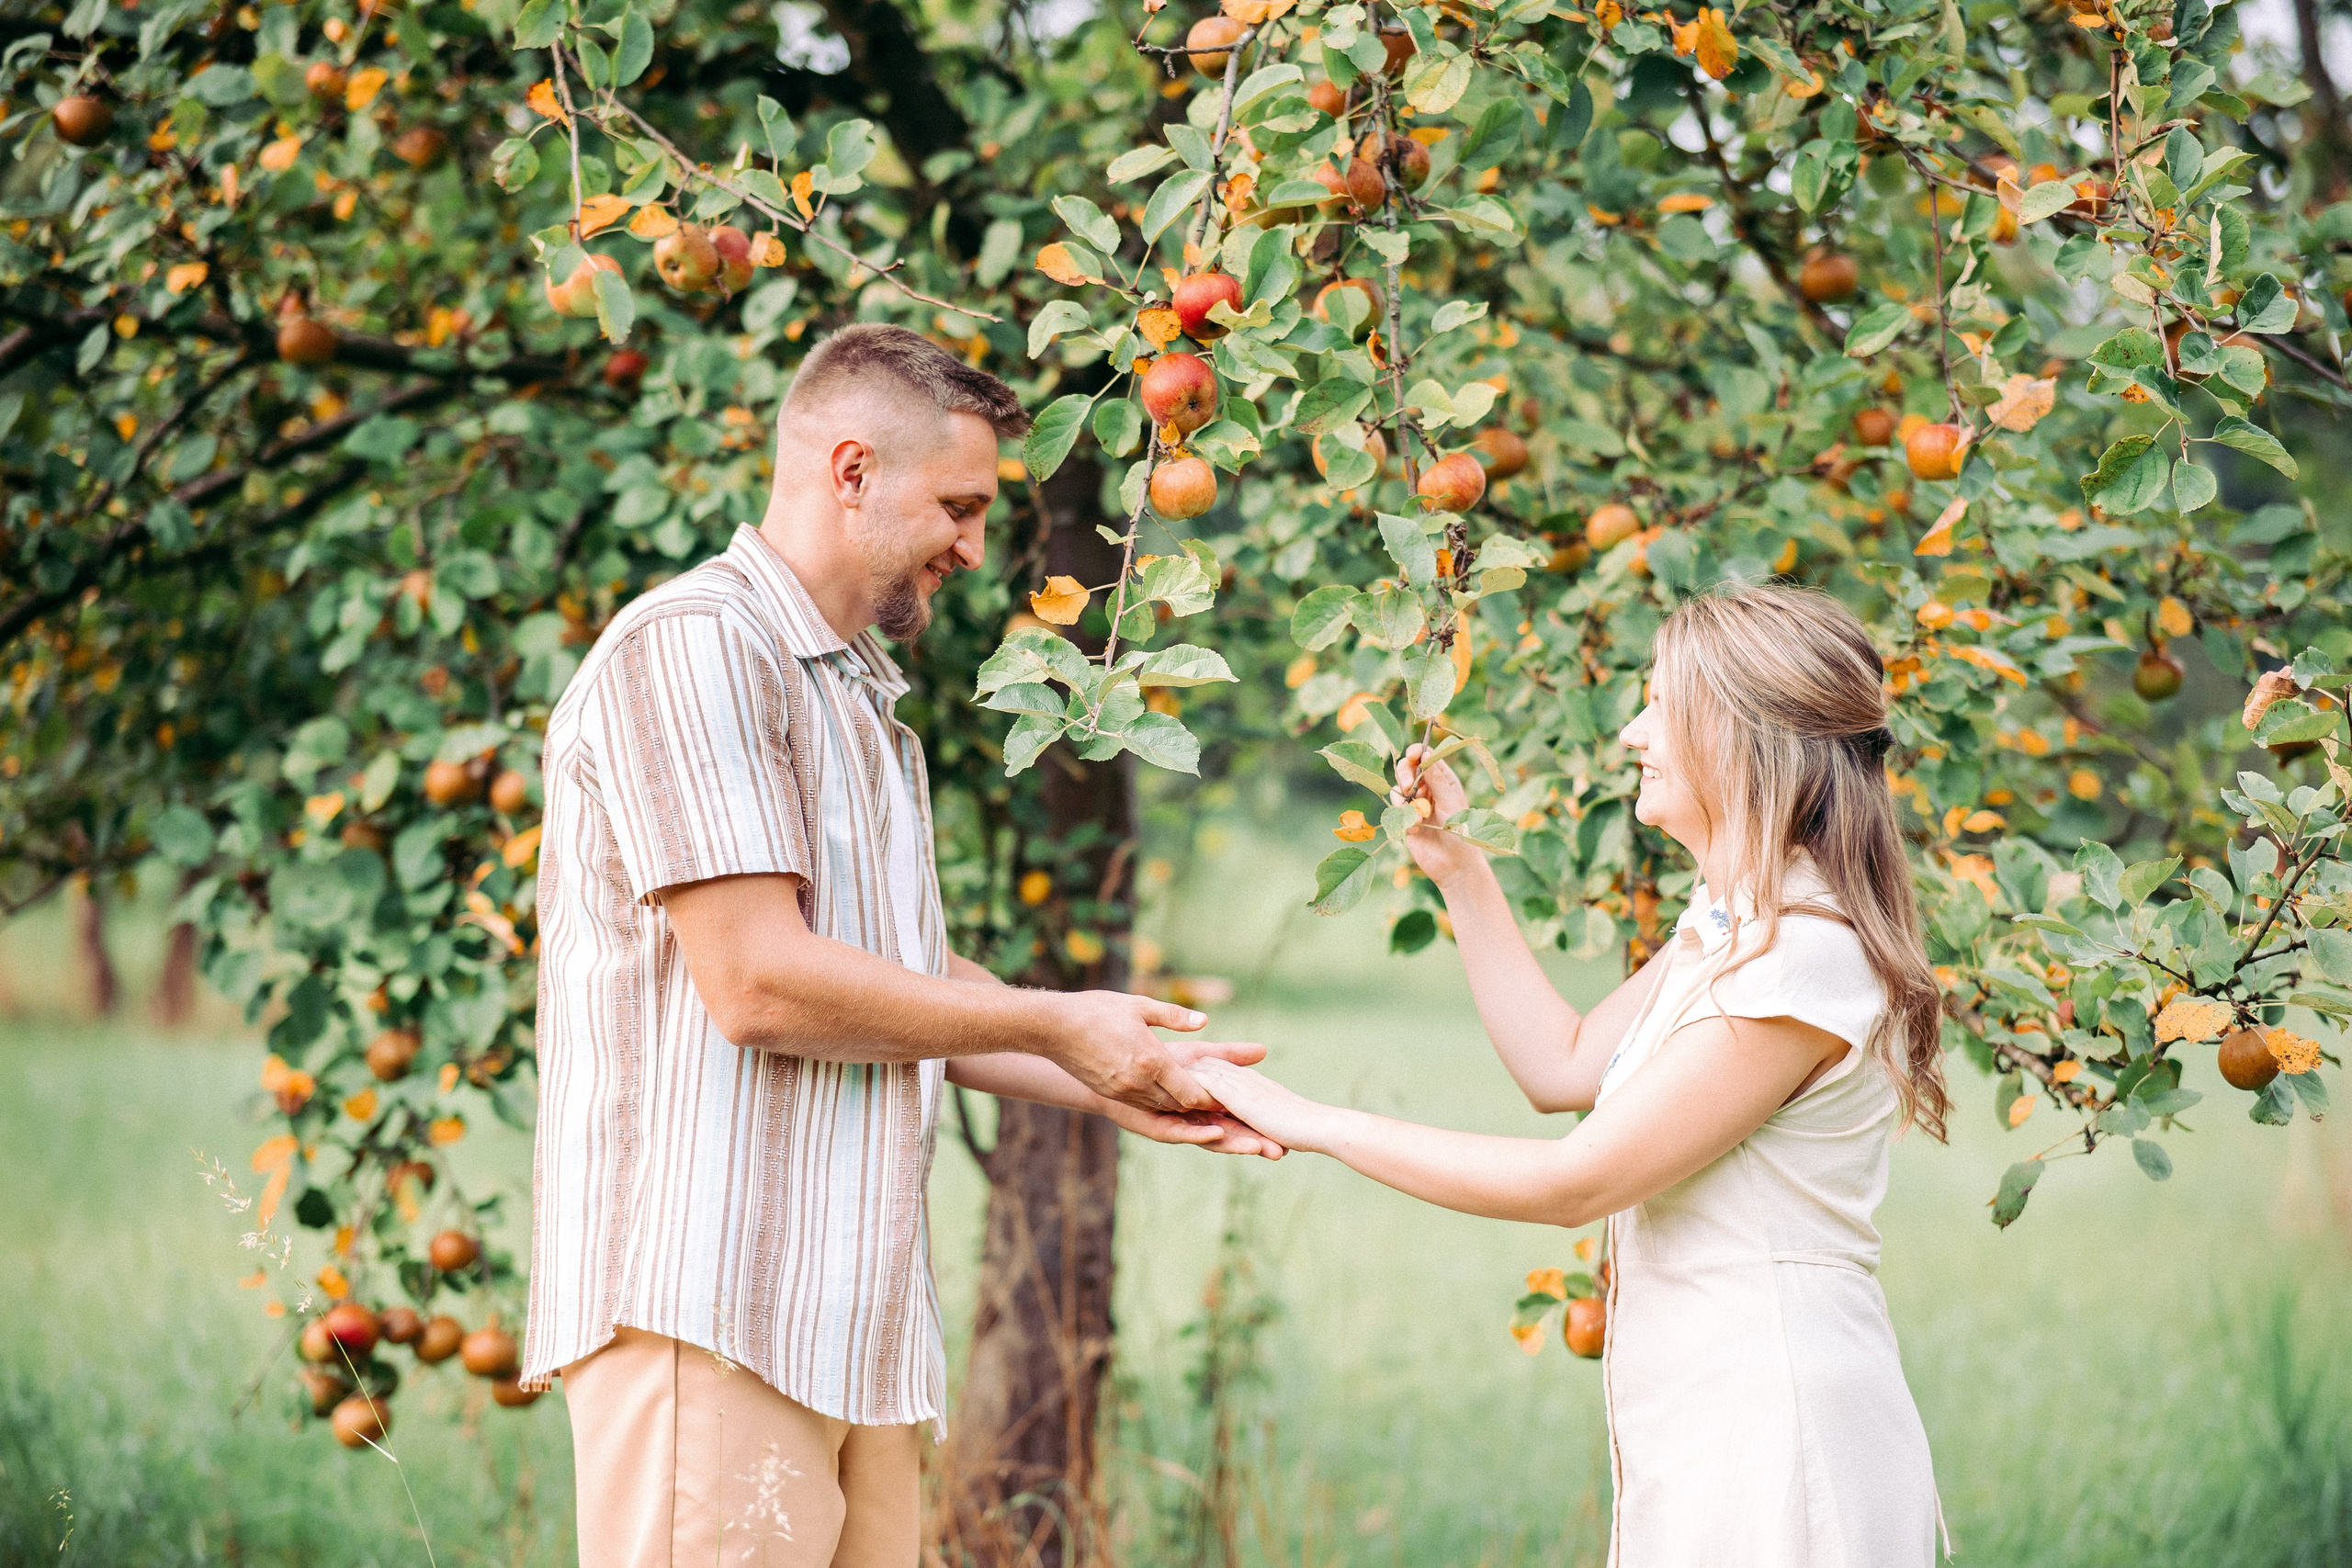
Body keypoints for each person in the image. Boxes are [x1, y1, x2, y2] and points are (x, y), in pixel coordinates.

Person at [519, 323, 1279, 1568]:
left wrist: (1112, 1066)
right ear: (852, 469)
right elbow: (759, 980)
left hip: (849, 1325)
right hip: (710, 1307)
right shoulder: (700, 648)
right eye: (961, 505)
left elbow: (909, 981)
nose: (977, 546)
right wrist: (1052, 1024)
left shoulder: (859, 695)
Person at [1196, 583, 1952, 1566]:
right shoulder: (1730, 928)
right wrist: (1462, 870)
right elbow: (1560, 1066)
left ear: (1741, 739)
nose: (1633, 732)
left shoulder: (1797, 959)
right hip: (1708, 1405)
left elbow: (1574, 1182)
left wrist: (1307, 1120)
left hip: (1776, 1423)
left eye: (1659, 707)